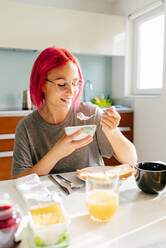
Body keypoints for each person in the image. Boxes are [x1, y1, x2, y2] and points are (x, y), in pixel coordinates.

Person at [12, 47, 137, 178]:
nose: (71, 91)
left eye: (75, 83)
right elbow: (18, 180)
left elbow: (131, 161)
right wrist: (56, 153)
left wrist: (112, 131)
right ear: (41, 84)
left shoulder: (90, 113)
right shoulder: (27, 127)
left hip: (91, 192)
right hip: (51, 197)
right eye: (62, 84)